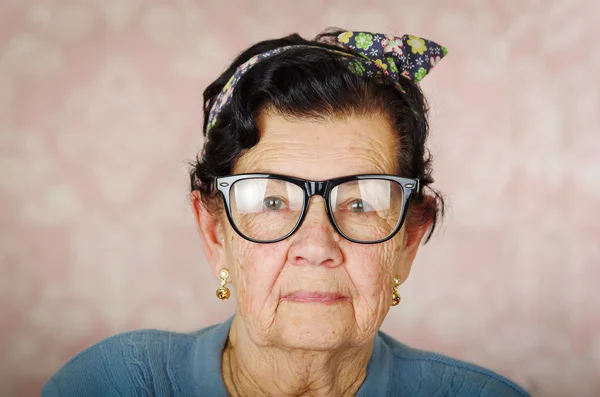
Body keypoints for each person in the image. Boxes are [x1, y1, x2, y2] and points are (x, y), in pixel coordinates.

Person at [42, 29, 530, 397]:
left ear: (407, 242)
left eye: (360, 203)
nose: (316, 247)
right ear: (215, 234)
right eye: (272, 201)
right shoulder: (113, 384)